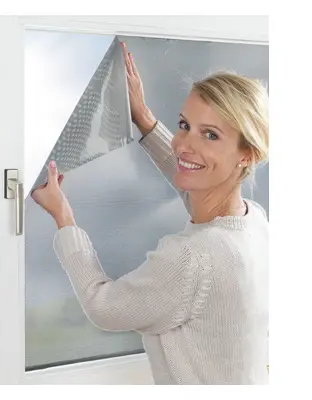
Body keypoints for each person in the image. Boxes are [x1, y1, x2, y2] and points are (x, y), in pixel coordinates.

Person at [31, 42, 269, 385]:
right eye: (184, 125)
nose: (184, 144)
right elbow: (196, 186)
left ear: (247, 154)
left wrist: (64, 218)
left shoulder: (194, 258)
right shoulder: (253, 222)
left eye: (210, 135)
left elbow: (103, 307)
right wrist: (143, 118)